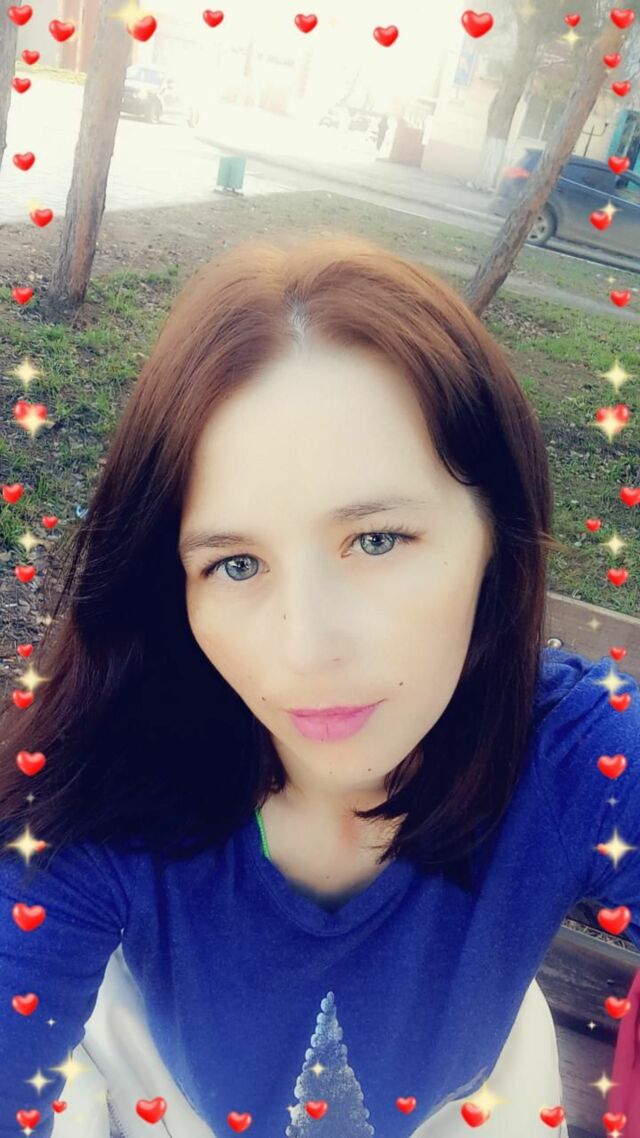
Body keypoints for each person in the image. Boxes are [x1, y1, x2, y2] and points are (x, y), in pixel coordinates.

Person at [0, 234, 638, 1138]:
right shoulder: (104, 786)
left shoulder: (580, 758)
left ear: (496, 537)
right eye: (235, 563)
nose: (304, 651)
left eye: (375, 540)